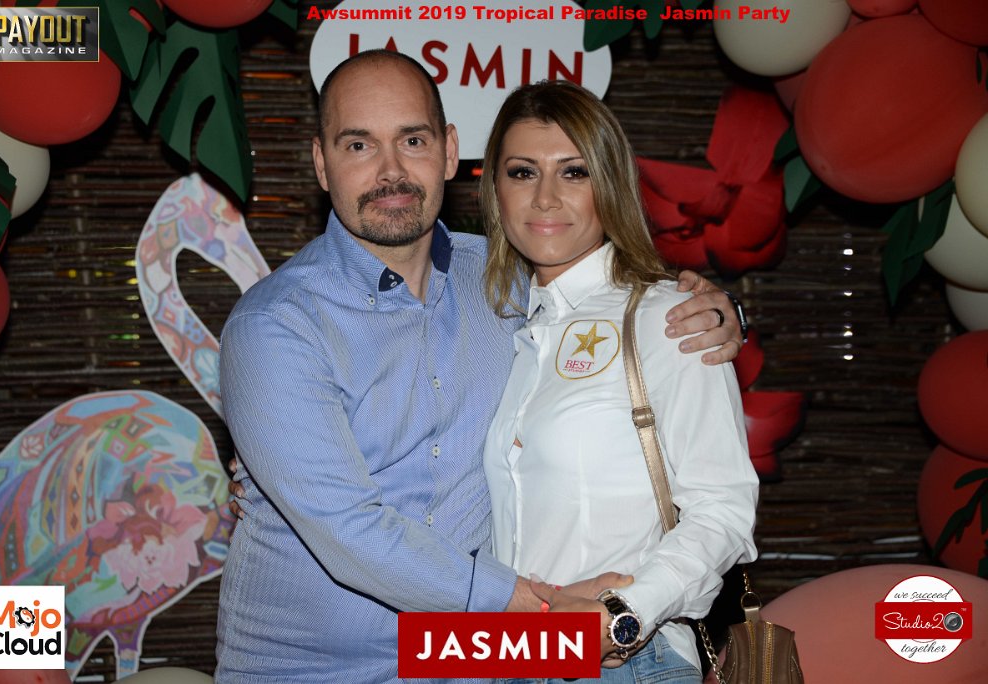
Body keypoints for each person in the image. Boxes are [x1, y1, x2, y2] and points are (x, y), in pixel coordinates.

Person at [215, 50, 745, 683]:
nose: (390, 170)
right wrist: (539, 608)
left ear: (449, 152)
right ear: (321, 164)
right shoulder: (276, 324)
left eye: (412, 140)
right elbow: (347, 527)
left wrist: (718, 309)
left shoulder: (505, 283)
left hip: (485, 657)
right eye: (358, 145)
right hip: (321, 668)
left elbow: (607, 299)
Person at [479, 80, 759, 683]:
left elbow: (724, 510)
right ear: (495, 189)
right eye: (523, 172)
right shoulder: (507, 329)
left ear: (608, 184)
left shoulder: (668, 317)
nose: (545, 197)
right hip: (514, 654)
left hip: (627, 659)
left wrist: (623, 614)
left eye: (574, 172)